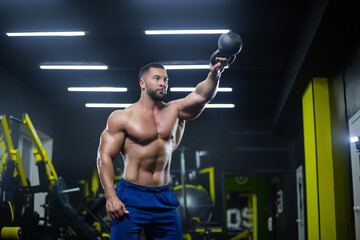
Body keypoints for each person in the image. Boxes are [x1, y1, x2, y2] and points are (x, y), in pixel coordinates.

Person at [96, 58, 228, 240]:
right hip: (131, 197)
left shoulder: (175, 111)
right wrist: (111, 196)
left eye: (165, 80)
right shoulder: (122, 117)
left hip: (162, 195)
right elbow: (104, 156)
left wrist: (215, 74)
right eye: (156, 78)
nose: (162, 83)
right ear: (142, 83)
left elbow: (202, 95)